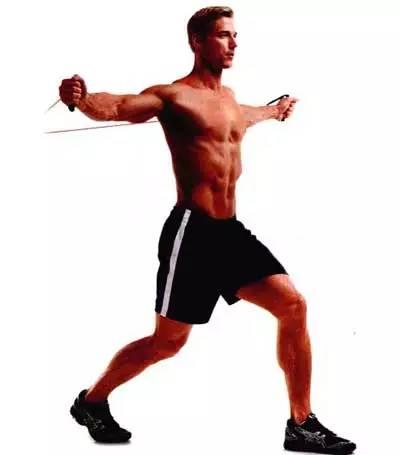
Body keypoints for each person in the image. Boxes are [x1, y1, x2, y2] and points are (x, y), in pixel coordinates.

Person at [60, 6, 356, 454]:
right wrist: (81, 99)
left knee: (293, 305)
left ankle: (301, 424)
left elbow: (245, 116)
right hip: (192, 235)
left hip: (230, 233)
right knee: (167, 343)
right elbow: (118, 105)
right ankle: (91, 402)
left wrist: (274, 110)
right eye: (222, 35)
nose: (232, 43)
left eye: (235, 35)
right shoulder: (173, 96)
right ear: (196, 42)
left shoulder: (230, 100)